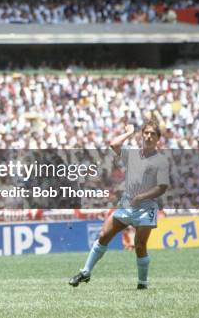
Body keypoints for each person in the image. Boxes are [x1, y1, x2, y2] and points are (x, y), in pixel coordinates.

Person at [69, 120, 169, 289]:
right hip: (127, 205)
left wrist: (143, 196)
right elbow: (113, 144)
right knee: (103, 236)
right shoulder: (132, 152)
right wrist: (129, 132)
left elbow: (162, 188)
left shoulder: (161, 162)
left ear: (158, 138)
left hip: (146, 209)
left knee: (139, 245)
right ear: (141, 134)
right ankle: (85, 272)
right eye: (146, 133)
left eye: (153, 134)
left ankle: (142, 283)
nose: (149, 136)